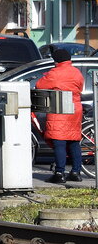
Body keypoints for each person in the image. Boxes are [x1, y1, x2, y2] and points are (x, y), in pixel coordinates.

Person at [36, 47, 84, 184]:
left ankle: (59, 173)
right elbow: (80, 87)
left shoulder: (54, 73)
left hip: (59, 109)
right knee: (74, 141)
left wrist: (46, 74)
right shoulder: (77, 72)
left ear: (56, 61)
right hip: (75, 109)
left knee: (59, 142)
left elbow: (40, 85)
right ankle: (76, 172)